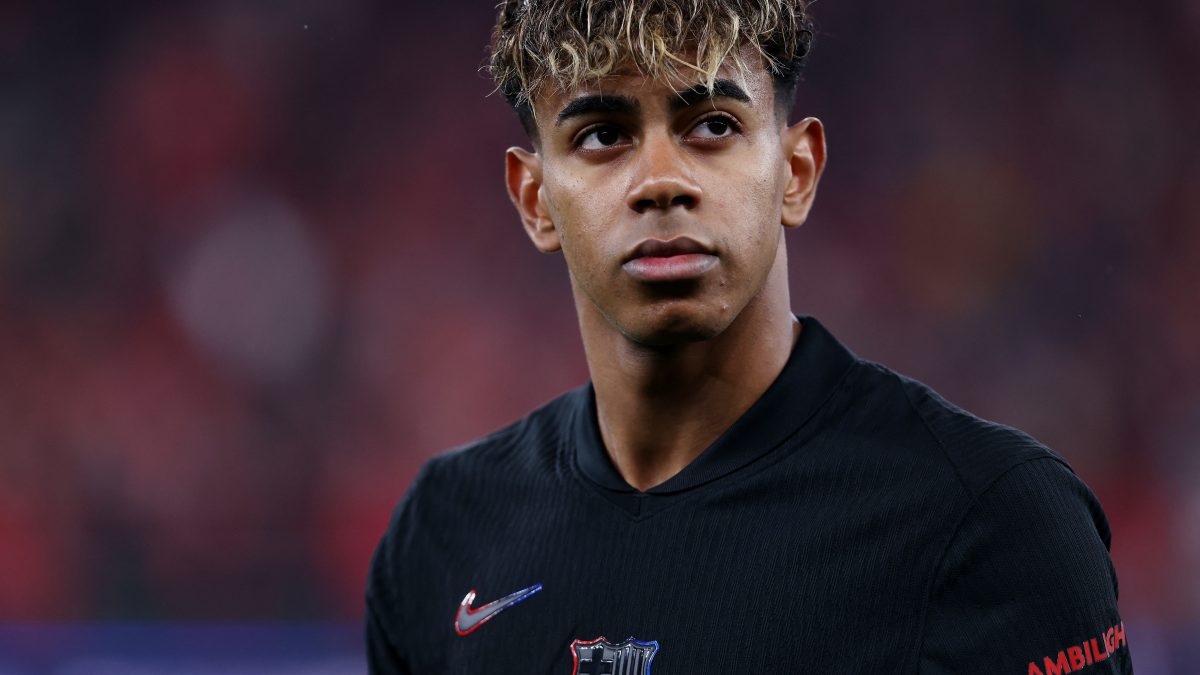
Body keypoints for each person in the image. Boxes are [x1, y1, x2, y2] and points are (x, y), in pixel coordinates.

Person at [365, 1, 1132, 672]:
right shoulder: (444, 531)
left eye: (712, 124)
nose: (661, 180)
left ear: (796, 173)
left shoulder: (992, 520)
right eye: (603, 134)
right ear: (535, 201)